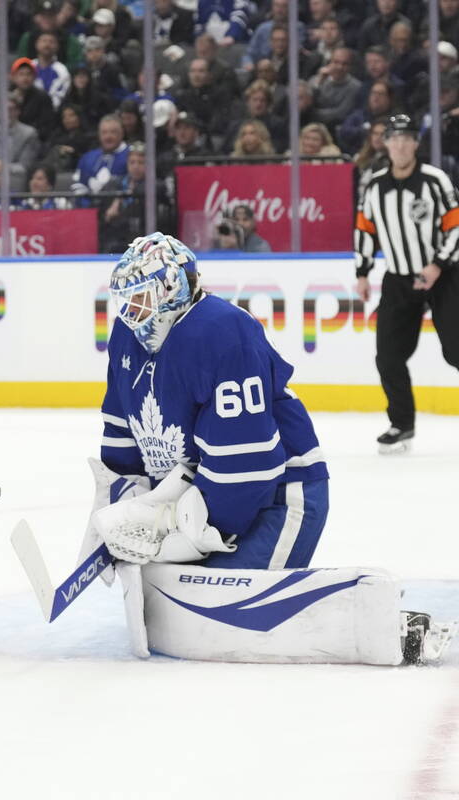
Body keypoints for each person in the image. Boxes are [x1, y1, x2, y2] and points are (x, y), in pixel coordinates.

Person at [80, 232, 450, 666]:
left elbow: (248, 468)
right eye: (125, 301)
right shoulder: (127, 336)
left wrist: (193, 539)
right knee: (171, 599)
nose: (130, 313)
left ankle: (388, 626)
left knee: (218, 616)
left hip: (280, 495)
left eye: (140, 299)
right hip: (204, 490)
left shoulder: (221, 332)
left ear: (170, 291)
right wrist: (121, 508)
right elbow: (122, 429)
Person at [354, 115, 459, 453]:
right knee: (388, 356)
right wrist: (362, 271)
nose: (400, 144)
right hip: (398, 278)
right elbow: (365, 229)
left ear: (416, 143)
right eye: (394, 138)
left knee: (456, 350)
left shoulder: (435, 180)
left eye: (407, 138)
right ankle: (402, 423)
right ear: (384, 143)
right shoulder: (375, 184)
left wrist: (438, 264)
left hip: (444, 276)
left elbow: (455, 226)